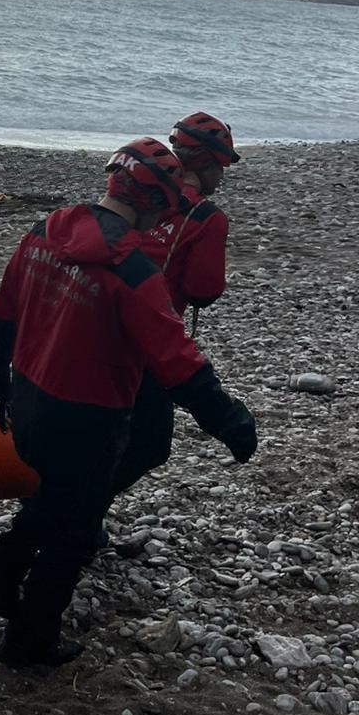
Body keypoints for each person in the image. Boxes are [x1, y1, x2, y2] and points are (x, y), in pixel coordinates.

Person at [0, 138, 258, 670]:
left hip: (28, 396)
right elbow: (176, 361)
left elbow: (3, 310)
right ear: (152, 202)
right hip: (89, 414)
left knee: (54, 499)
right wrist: (231, 421)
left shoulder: (43, 231)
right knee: (74, 531)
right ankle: (28, 642)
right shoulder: (132, 271)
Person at [109, 111, 238, 507]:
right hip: (151, 340)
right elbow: (204, 290)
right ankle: (76, 511)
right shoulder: (206, 217)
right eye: (220, 167)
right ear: (206, 164)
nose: (221, 177)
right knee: (150, 444)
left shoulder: (142, 193)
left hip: (97, 316)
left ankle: (69, 508)